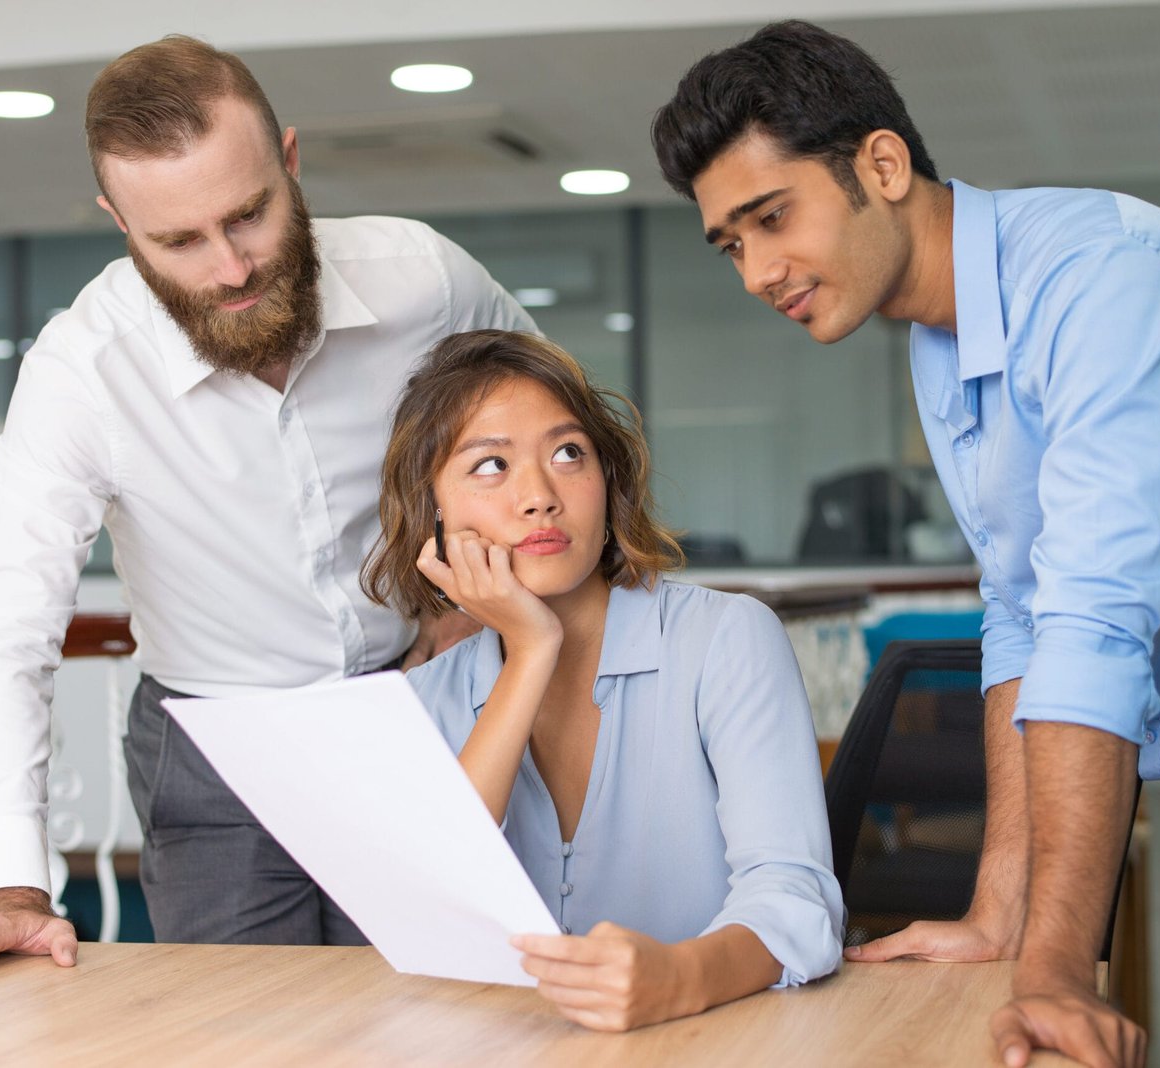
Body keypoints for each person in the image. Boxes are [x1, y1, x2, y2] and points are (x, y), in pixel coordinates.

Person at [651, 19, 1160, 1068]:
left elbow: (1095, 620)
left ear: (882, 165)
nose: (757, 272)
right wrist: (1001, 910)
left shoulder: (1099, 279)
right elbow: (1020, 609)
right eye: (731, 244)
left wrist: (1055, 966)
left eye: (772, 218)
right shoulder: (939, 334)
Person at [0, 36, 533, 981]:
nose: (230, 269)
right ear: (119, 222)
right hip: (213, 746)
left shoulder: (423, 277)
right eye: (178, 241)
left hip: (418, 707)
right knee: (239, 1025)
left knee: (440, 1004)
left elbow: (552, 438)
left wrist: (472, 601)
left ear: (289, 161)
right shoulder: (82, 371)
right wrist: (10, 888)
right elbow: (11, 627)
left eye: (249, 214)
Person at [360, 329, 844, 1030]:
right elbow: (425, 920)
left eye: (568, 454)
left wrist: (680, 978)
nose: (539, 497)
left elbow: (796, 898)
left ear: (607, 479)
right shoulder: (425, 699)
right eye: (491, 465)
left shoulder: (725, 640)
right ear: (433, 509)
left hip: (718, 1039)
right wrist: (531, 652)